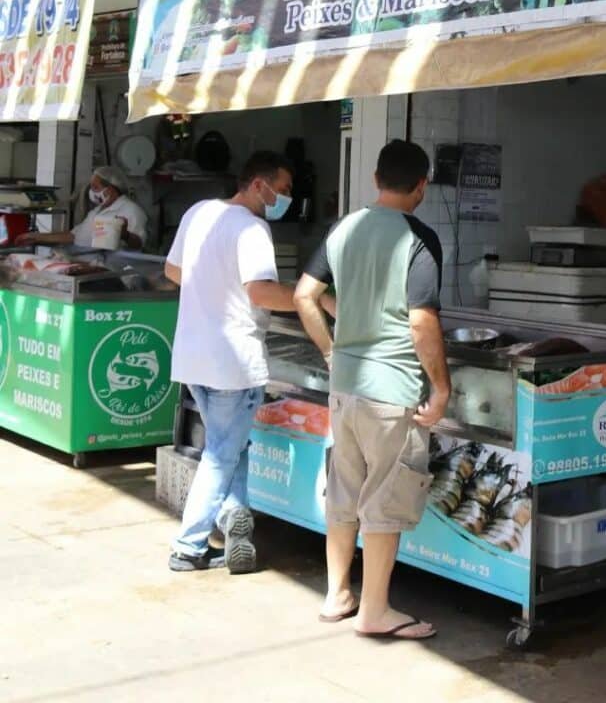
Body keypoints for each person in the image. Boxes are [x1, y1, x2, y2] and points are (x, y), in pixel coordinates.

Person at [294, 139, 450, 640]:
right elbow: (421, 320)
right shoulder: (418, 238)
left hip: (346, 387)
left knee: (344, 492)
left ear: (376, 179)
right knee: (384, 497)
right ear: (422, 185)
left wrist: (330, 350)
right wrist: (441, 388)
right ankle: (375, 611)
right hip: (392, 389)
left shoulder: (345, 227)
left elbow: (304, 295)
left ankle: (338, 593)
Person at [165, 151, 298, 574]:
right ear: (260, 184)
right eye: (285, 188)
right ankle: (188, 546)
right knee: (221, 454)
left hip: (193, 357)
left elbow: (173, 270)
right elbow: (262, 293)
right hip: (233, 364)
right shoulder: (253, 229)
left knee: (231, 447)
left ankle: (236, 524)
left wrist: (212, 287)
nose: (287, 197)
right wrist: (313, 299)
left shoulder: (199, 212)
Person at [17, 165, 148, 250]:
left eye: (95, 188)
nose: (91, 192)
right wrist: (36, 237)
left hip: (110, 268)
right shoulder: (97, 211)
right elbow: (73, 236)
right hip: (86, 261)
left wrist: (125, 234)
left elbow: (139, 244)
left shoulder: (132, 211)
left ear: (111, 189)